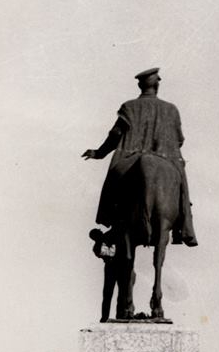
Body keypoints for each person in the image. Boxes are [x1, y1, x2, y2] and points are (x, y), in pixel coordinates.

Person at [82, 67, 197, 247]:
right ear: (157, 85)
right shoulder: (171, 109)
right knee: (181, 184)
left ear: (140, 86)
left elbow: (115, 134)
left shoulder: (129, 107)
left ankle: (109, 216)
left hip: (129, 156)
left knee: (113, 183)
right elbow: (179, 140)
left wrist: (99, 153)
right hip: (165, 155)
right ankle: (184, 227)